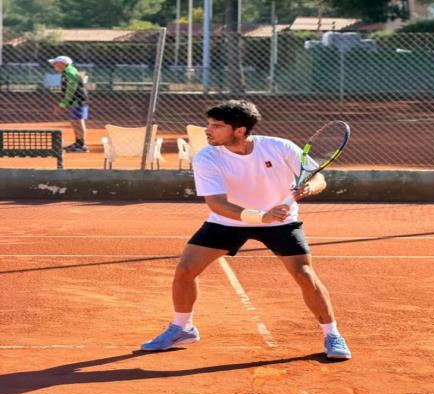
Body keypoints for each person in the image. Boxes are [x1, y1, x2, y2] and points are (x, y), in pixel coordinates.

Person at [141, 100, 351, 360]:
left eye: (217, 126)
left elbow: (318, 177)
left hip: (281, 223)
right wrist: (261, 216)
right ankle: (182, 328)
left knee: (304, 274)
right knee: (185, 269)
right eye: (209, 125)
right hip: (228, 221)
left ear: (239, 130)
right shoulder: (207, 157)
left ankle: (332, 334)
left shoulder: (279, 147)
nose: (208, 130)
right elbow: (217, 204)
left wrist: (309, 187)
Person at [48, 56, 90, 152]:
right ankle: (78, 143)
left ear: (62, 64)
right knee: (74, 121)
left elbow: (70, 91)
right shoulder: (67, 71)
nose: (54, 65)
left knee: (78, 122)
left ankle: (81, 145)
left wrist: (62, 105)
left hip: (78, 100)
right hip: (74, 100)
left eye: (55, 63)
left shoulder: (70, 73)